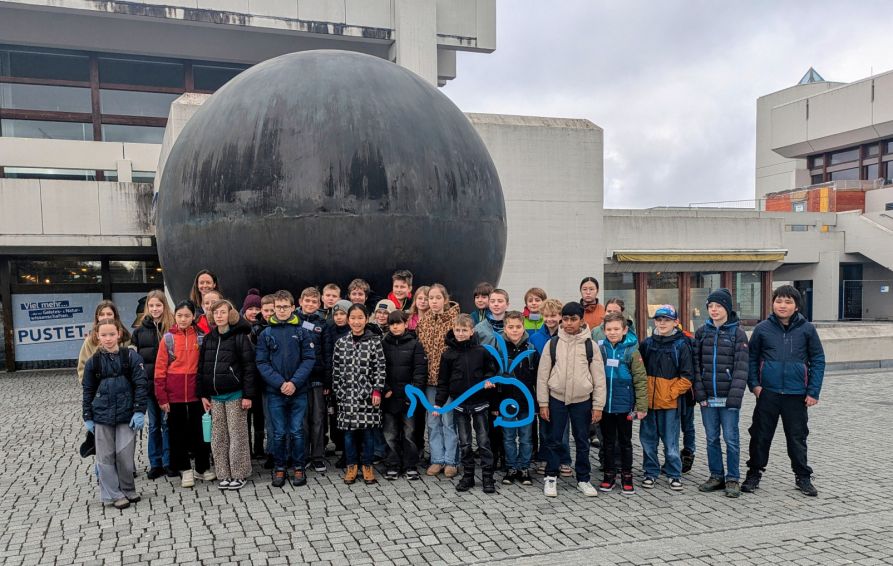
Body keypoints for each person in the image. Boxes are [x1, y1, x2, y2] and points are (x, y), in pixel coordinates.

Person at [743, 285, 825, 497]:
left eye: (788, 302)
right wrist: (755, 385)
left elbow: (817, 359)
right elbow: (751, 358)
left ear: (796, 306)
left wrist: (813, 392)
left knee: (797, 437)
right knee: (760, 436)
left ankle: (803, 477)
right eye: (779, 301)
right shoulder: (762, 328)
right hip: (767, 393)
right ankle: (754, 473)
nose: (782, 305)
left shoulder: (807, 329)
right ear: (773, 303)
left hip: (796, 394)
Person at [537, 302, 606, 498]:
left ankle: (583, 478)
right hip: (556, 399)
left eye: (573, 319)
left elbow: (599, 379)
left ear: (581, 320)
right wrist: (543, 403)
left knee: (582, 440)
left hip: (582, 400)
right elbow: (543, 376)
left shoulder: (590, 346)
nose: (568, 323)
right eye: (565, 319)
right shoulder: (553, 344)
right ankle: (551, 477)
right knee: (554, 439)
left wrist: (598, 405)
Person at [82, 317, 148, 509]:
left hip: (127, 414)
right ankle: (113, 494)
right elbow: (88, 390)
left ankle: (128, 489)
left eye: (112, 334)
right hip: (101, 416)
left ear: (119, 334)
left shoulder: (131, 357)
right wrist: (87, 416)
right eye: (104, 335)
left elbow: (141, 384)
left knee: (125, 455)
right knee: (105, 458)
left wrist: (139, 411)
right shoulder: (93, 363)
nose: (108, 338)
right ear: (97, 336)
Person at [256, 290, 316, 488]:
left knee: (297, 431)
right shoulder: (266, 333)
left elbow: (309, 359)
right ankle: (280, 467)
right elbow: (262, 363)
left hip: (298, 391)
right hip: (275, 392)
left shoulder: (302, 331)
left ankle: (299, 467)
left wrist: (294, 383)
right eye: (278, 307)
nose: (281, 310)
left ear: (292, 307)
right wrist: (280, 383)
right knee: (279, 432)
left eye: (285, 307)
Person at [692, 288, 749, 498]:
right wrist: (700, 393)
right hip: (708, 398)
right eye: (711, 306)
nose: (714, 310)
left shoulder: (737, 334)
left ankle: (733, 478)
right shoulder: (702, 332)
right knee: (711, 438)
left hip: (728, 399)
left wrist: (734, 398)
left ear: (727, 308)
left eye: (718, 306)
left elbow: (742, 369)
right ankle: (716, 475)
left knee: (731, 438)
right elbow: (696, 366)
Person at [198, 299, 256, 491]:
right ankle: (223, 473)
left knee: (237, 435)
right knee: (218, 437)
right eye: (216, 313)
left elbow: (249, 368)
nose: (219, 316)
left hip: (235, 395)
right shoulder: (208, 338)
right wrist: (203, 394)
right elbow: (202, 368)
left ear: (230, 314)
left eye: (223, 312)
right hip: (214, 396)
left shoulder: (240, 337)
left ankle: (239, 473)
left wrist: (248, 395)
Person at [436, 314, 498, 493]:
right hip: (460, 405)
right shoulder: (448, 355)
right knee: (465, 442)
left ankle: (488, 477)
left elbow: (491, 370)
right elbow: (443, 381)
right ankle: (468, 476)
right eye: (457, 330)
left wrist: (488, 379)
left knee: (484, 441)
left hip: (480, 403)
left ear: (472, 332)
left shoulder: (481, 351)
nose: (461, 333)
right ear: (453, 331)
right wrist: (439, 403)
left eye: (464, 330)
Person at [154, 300, 213, 488]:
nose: (183, 319)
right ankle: (185, 469)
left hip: (196, 393)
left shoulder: (202, 337)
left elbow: (205, 368)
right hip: (175, 394)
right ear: (175, 316)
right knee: (177, 434)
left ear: (194, 316)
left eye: (187, 315)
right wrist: (162, 397)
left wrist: (205, 393)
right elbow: (160, 370)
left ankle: (202, 468)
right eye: (180, 315)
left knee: (200, 432)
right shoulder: (168, 339)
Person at [639, 305, 693, 491]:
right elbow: (638, 373)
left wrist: (670, 393)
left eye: (667, 320)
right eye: (659, 320)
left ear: (675, 322)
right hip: (648, 403)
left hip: (670, 404)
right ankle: (650, 472)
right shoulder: (647, 343)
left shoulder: (681, 345)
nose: (662, 323)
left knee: (670, 442)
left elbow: (687, 377)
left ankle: (674, 473)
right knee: (648, 441)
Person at [333, 304, 387, 485]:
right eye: (353, 318)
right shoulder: (341, 343)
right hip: (347, 396)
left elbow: (380, 368)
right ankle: (351, 465)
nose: (356, 322)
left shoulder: (374, 341)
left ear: (366, 319)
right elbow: (336, 370)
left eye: (360, 318)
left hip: (367, 397)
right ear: (348, 320)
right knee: (348, 434)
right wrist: (339, 391)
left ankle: (367, 465)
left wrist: (377, 390)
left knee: (368, 434)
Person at [596, 312, 647, 495]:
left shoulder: (631, 351)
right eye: (609, 329)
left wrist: (641, 406)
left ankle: (627, 475)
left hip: (624, 405)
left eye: (616, 329)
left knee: (625, 442)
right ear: (604, 330)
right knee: (608, 442)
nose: (612, 332)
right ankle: (609, 474)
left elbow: (640, 379)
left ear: (624, 330)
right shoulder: (600, 349)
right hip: (605, 405)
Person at [416, 283, 461, 477]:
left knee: (448, 421)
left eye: (437, 298)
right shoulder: (423, 321)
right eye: (430, 298)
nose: (433, 302)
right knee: (433, 421)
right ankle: (437, 458)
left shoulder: (454, 320)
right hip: (429, 380)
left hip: (448, 380)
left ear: (445, 299)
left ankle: (451, 460)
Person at [129, 289, 175, 480]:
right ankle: (155, 463)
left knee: (167, 425)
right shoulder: (139, 332)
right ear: (147, 307)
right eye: (151, 305)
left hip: (168, 386)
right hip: (148, 386)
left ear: (164, 306)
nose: (155, 309)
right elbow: (133, 361)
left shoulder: (171, 328)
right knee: (154, 425)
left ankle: (168, 461)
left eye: (158, 305)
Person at [380, 310, 427, 480]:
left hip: (409, 398)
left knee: (409, 433)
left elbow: (420, 372)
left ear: (406, 324)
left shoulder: (415, 344)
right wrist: (385, 388)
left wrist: (413, 393)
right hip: (389, 397)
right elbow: (378, 370)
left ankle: (410, 465)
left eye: (398, 323)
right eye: (392, 324)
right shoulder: (383, 344)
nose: (395, 327)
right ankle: (392, 464)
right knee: (390, 433)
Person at [530, 298, 572, 476]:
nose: (550, 319)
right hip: (543, 385)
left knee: (562, 427)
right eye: (546, 316)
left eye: (554, 315)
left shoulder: (567, 336)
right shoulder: (535, 337)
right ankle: (545, 457)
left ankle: (564, 459)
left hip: (562, 386)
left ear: (560, 316)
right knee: (544, 425)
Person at [499, 311, 539, 487]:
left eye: (518, 327)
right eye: (510, 327)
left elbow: (538, 377)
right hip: (505, 401)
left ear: (523, 327)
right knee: (508, 437)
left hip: (526, 401)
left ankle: (524, 467)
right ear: (505, 328)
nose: (514, 330)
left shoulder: (530, 349)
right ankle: (511, 467)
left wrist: (538, 403)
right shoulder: (500, 347)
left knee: (526, 437)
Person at [473, 288, 510, 470]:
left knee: (506, 417)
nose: (496, 304)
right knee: (489, 420)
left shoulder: (512, 326)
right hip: (487, 380)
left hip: (507, 380)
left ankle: (506, 455)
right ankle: (491, 454)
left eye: (500, 301)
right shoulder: (480, 328)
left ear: (507, 304)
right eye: (493, 301)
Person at [296, 287, 330, 474]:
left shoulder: (322, 324)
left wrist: (327, 380)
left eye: (313, 302)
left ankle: (317, 456)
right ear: (300, 301)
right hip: (299, 380)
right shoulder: (293, 321)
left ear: (319, 304)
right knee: (301, 420)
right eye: (306, 300)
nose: (310, 304)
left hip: (317, 379)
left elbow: (327, 352)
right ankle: (303, 455)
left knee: (317, 418)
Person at [324, 300, 353, 467]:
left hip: (352, 383)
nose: (339, 317)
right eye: (336, 314)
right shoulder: (330, 331)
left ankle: (351, 453)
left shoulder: (354, 332)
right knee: (336, 418)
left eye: (343, 314)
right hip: (336, 382)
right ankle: (342, 449)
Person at [77, 300, 132, 384]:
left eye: (109, 314)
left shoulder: (126, 338)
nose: (105, 317)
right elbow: (82, 368)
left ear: (115, 316)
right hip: (100, 391)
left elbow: (134, 367)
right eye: (102, 314)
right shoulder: (90, 341)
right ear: (97, 317)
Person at [241, 288, 266, 460]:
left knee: (260, 416)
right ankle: (247, 449)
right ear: (244, 310)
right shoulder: (240, 328)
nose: (254, 312)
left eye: (257, 309)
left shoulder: (264, 327)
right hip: (245, 380)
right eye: (251, 308)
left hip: (261, 380)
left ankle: (259, 448)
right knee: (245, 418)